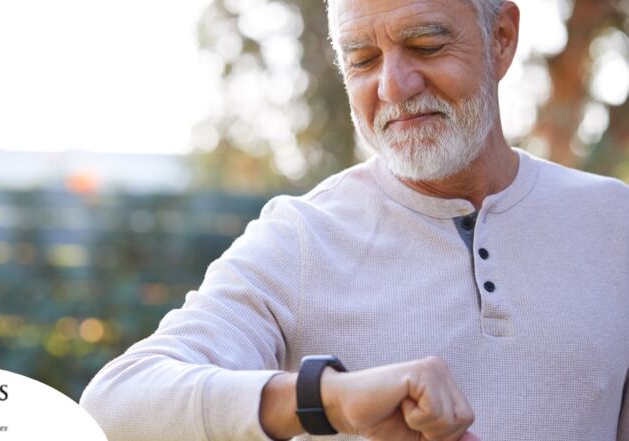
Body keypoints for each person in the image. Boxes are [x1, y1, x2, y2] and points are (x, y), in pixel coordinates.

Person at [80, 0, 629, 440]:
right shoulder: (300, 238)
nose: (393, 86)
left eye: (426, 44)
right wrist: (328, 399)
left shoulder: (615, 224)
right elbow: (117, 404)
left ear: (502, 38)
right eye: (362, 59)